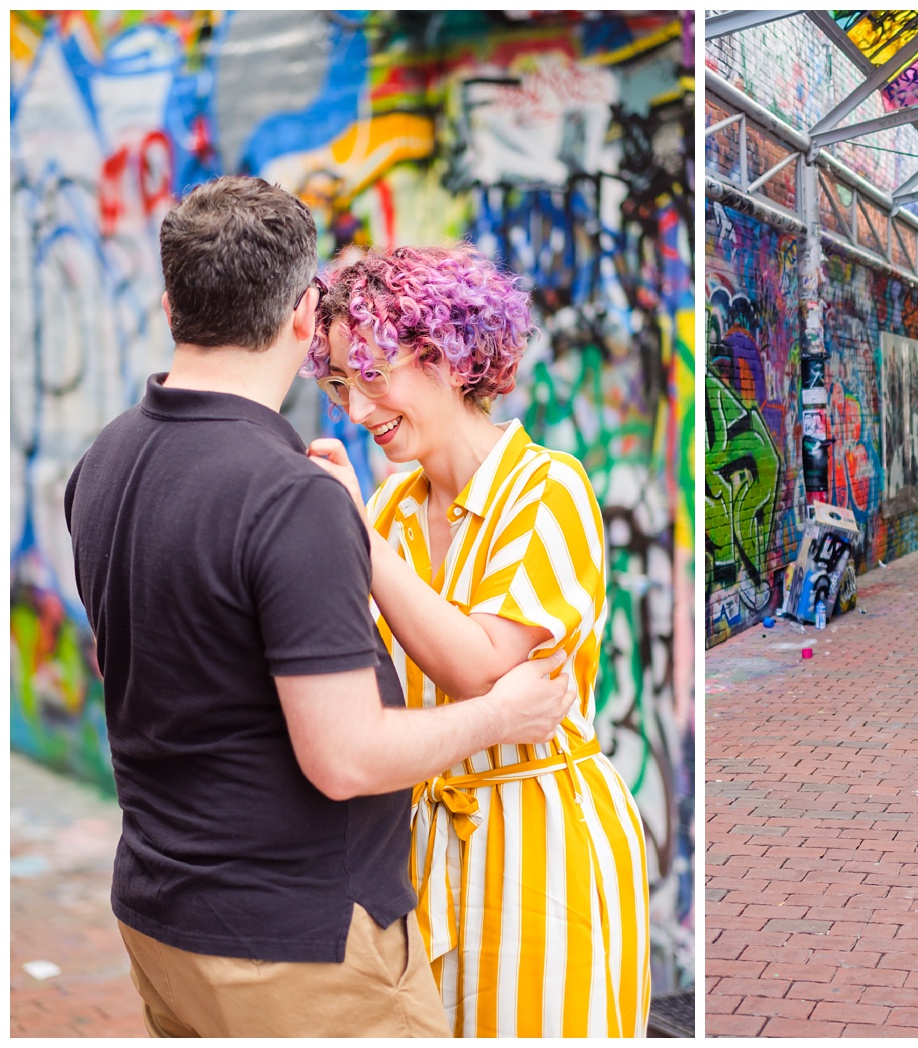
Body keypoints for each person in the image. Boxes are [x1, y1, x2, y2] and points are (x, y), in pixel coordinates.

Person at [64, 176, 577, 1038]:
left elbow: (129, 668)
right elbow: (345, 758)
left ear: (169, 304)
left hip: (160, 916)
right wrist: (499, 715)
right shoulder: (288, 496)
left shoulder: (104, 460)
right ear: (306, 316)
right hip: (295, 948)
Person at [303, 244, 651, 1038]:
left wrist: (353, 535)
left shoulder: (547, 489)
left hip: (542, 847)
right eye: (337, 385)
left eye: (374, 374)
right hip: (419, 853)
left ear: (446, 356)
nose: (355, 410)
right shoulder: (392, 510)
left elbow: (480, 667)